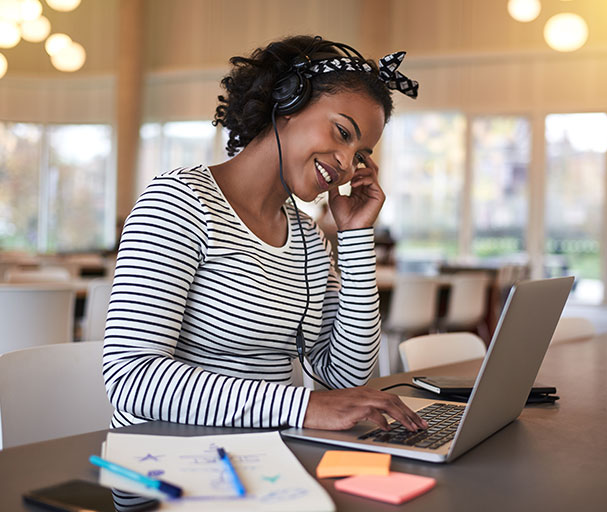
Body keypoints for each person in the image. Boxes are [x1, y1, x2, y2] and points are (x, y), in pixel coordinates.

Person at [103, 35, 427, 433]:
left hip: (267, 457)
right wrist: (302, 407)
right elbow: (130, 378)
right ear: (288, 102)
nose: (346, 163)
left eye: (360, 155)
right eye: (343, 133)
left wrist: (356, 237)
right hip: (169, 460)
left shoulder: (308, 238)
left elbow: (346, 380)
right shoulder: (179, 201)